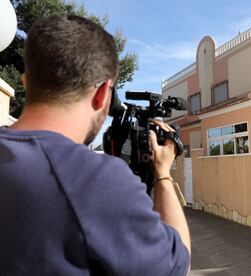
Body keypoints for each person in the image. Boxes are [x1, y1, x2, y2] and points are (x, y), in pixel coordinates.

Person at [0, 15, 190, 275]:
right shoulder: (96, 182)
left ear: (25, 82)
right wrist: (163, 173)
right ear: (103, 94)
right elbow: (177, 262)